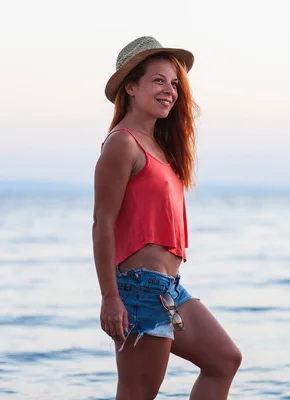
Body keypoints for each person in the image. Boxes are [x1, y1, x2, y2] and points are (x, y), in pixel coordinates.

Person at [92, 36, 242, 400]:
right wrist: (110, 298)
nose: (170, 91)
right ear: (130, 87)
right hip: (140, 289)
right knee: (137, 395)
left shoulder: (159, 145)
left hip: (168, 288)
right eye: (158, 80)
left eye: (174, 83)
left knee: (224, 360)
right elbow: (103, 224)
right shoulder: (122, 143)